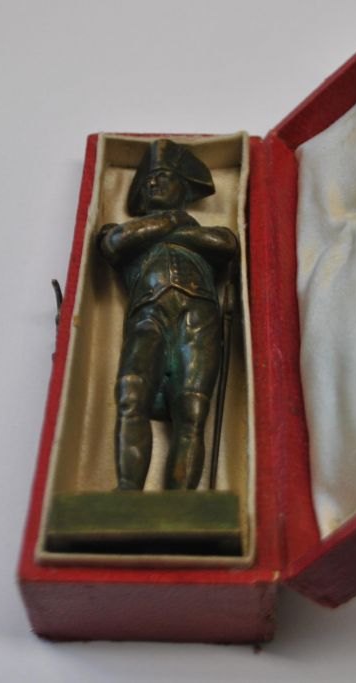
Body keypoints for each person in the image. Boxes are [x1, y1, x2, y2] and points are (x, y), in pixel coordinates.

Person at [97, 139, 238, 490]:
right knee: (131, 392)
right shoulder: (119, 232)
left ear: (184, 188)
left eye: (163, 176)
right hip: (149, 316)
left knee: (192, 410)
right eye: (148, 180)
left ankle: (181, 502)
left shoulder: (210, 234)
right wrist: (174, 221)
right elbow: (114, 242)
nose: (153, 183)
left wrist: (165, 231)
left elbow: (227, 244)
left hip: (199, 318)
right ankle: (127, 493)